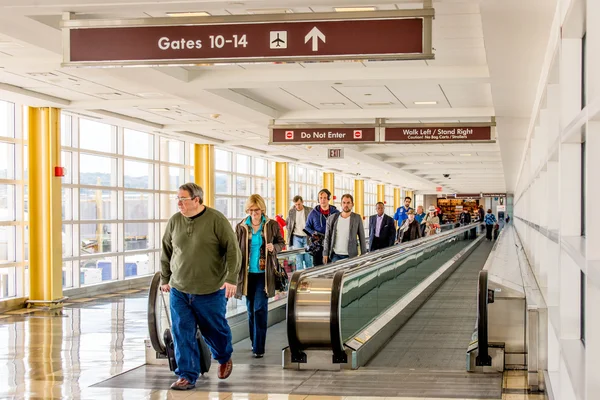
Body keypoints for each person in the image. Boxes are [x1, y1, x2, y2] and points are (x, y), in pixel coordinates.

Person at [161, 183, 241, 390]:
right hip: (180, 288)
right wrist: (165, 278)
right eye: (177, 198)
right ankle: (187, 375)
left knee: (214, 330)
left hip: (211, 289)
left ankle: (224, 356)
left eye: (183, 199)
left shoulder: (216, 220)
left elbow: (233, 250)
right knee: (181, 331)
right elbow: (166, 251)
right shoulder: (175, 221)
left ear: (196, 200)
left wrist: (231, 278)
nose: (178, 203)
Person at [235, 194, 285, 359]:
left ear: (262, 209)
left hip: (264, 275)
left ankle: (259, 347)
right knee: (250, 310)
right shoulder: (241, 226)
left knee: (260, 309)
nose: (254, 213)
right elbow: (235, 249)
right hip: (248, 275)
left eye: (256, 210)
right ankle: (254, 340)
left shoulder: (271, 225)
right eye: (251, 210)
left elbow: (281, 243)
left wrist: (274, 248)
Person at [322, 194, 367, 263]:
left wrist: (364, 255)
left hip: (351, 256)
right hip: (335, 255)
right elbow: (327, 237)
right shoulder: (332, 218)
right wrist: (325, 253)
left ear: (352, 204)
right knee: (336, 273)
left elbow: (362, 238)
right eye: (344, 202)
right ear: (341, 204)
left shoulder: (357, 218)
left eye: (348, 203)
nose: (346, 205)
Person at [305, 189, 339, 266]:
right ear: (318, 199)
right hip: (318, 246)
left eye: (325, 198)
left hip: (332, 246)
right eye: (321, 198)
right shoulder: (313, 213)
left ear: (328, 199)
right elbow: (307, 227)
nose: (322, 200)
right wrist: (313, 233)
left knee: (331, 269)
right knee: (317, 269)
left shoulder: (336, 213)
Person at [286, 196, 313, 270]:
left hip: (307, 237)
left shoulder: (309, 210)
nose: (297, 206)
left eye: (299, 204)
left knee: (308, 259)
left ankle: (309, 276)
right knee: (299, 260)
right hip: (296, 237)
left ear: (302, 202)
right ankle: (299, 277)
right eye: (296, 205)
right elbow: (287, 223)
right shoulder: (291, 212)